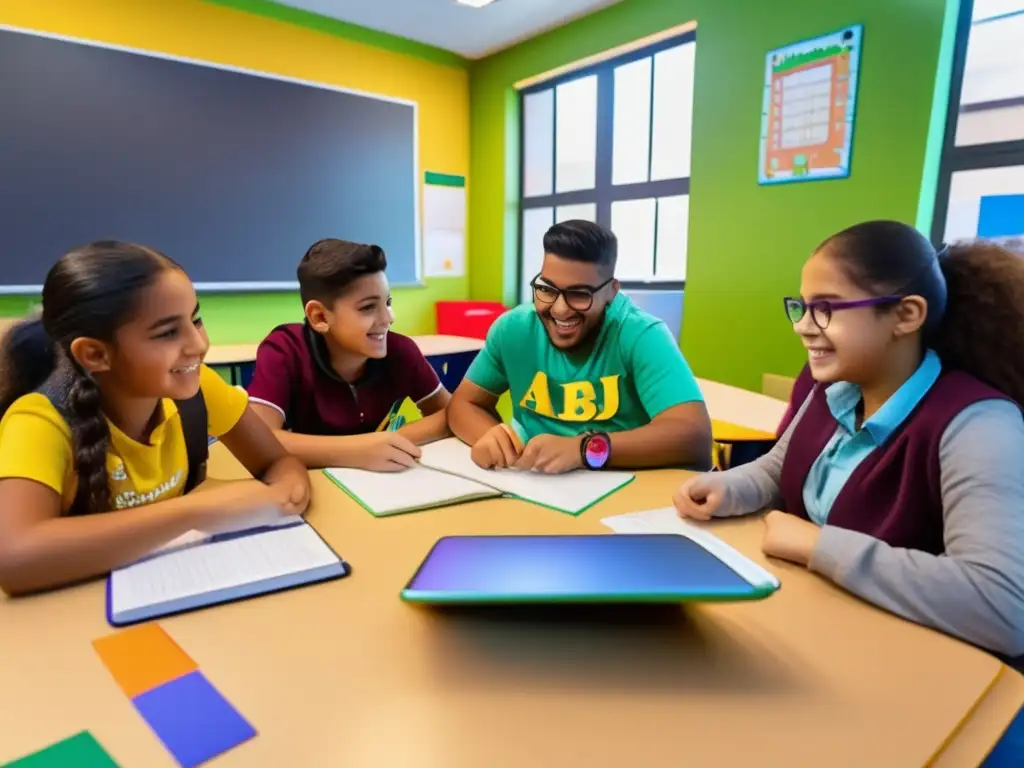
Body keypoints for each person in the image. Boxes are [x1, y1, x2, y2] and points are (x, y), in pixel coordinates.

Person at [673, 220, 1024, 659]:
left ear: (906, 315)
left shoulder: (979, 425)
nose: (803, 326)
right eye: (800, 307)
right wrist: (731, 487)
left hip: (905, 659)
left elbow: (1003, 607)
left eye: (827, 308)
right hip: (813, 625)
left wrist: (817, 545)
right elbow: (781, 465)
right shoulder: (834, 386)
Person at [0, 241, 310, 597]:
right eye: (167, 332)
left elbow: (277, 461)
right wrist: (193, 512)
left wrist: (288, 490)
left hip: (190, 595)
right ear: (95, 354)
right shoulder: (38, 421)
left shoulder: (199, 386)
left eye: (196, 319)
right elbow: (13, 559)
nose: (198, 344)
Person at [448, 219, 712, 474]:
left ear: (611, 291)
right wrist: (491, 438)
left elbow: (693, 436)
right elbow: (464, 404)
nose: (560, 310)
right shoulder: (513, 330)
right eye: (547, 289)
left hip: (623, 492)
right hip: (536, 487)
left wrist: (585, 450)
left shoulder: (641, 334)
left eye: (579, 294)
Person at [247, 239, 450, 470]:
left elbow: (453, 413)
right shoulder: (285, 350)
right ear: (319, 317)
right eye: (368, 307)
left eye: (388, 302)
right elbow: (259, 440)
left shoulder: (400, 351)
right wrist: (358, 450)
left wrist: (395, 440)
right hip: (313, 486)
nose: (388, 318)